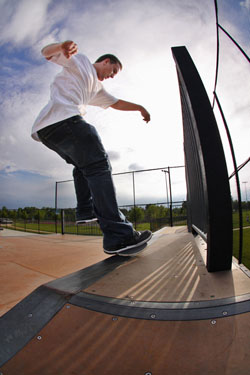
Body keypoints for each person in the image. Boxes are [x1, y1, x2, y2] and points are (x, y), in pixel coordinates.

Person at [31, 40, 152, 254]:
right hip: (65, 121)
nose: (112, 76)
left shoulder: (96, 88)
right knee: (99, 166)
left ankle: (85, 211)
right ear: (105, 62)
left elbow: (116, 103)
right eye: (113, 70)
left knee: (83, 167)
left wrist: (139, 108)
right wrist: (62, 46)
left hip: (48, 131)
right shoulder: (82, 62)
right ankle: (119, 236)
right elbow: (47, 53)